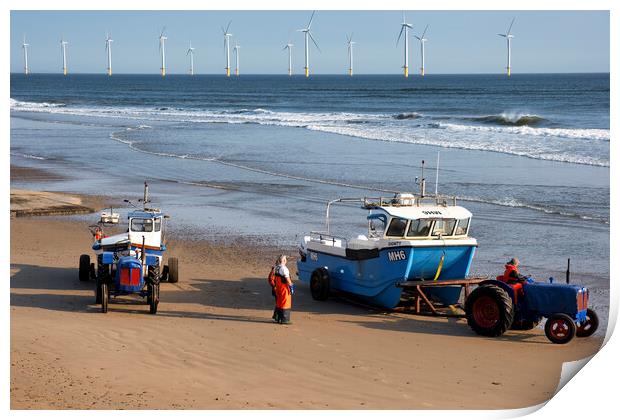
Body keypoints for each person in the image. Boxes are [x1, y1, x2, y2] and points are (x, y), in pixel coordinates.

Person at [273, 254, 294, 324]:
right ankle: (285, 319)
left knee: (279, 302)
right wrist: (291, 286)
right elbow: (287, 279)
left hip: (278, 288)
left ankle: (278, 318)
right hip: (284, 288)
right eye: (285, 259)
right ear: (284, 260)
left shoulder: (276, 267)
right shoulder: (284, 268)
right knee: (285, 302)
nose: (286, 260)